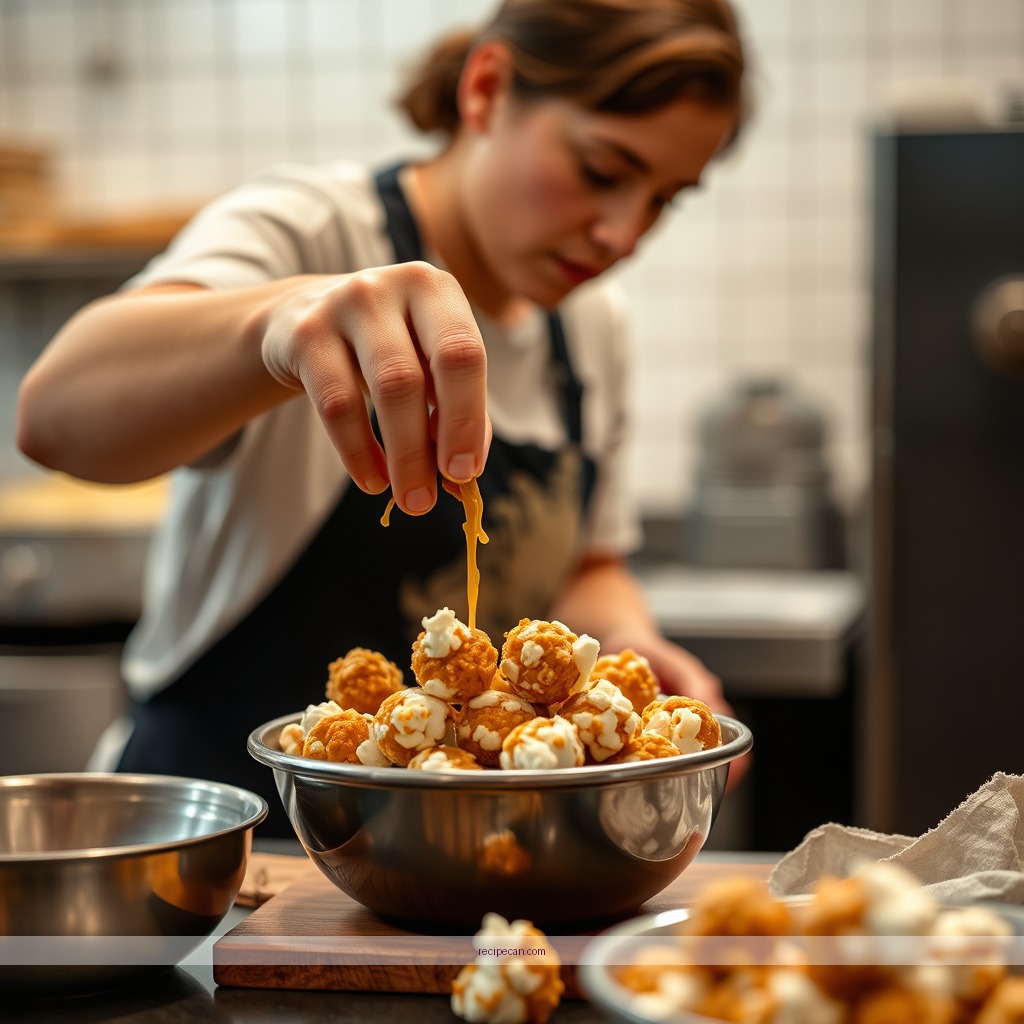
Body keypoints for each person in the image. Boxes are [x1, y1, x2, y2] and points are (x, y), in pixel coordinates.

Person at [17, 0, 749, 835]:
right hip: (215, 842)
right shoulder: (311, 230)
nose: (624, 233)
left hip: (432, 855)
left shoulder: (591, 328)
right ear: (486, 89)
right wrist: (277, 323)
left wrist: (627, 636)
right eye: (601, 169)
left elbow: (584, 562)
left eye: (665, 199)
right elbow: (53, 416)